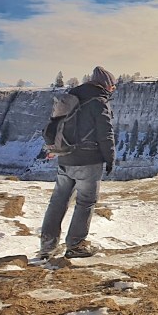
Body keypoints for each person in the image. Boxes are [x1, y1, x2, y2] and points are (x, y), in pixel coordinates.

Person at [39, 66, 117, 259]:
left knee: (58, 201)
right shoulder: (98, 102)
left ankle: (47, 246)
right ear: (106, 85)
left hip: (65, 157)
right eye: (112, 85)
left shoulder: (72, 96)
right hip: (88, 161)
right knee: (85, 202)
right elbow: (105, 134)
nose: (113, 89)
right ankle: (75, 245)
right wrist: (110, 159)